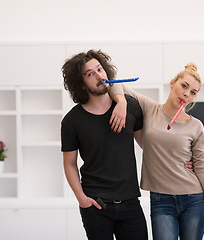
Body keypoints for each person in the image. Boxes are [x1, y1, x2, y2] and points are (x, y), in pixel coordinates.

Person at [109, 62, 204, 240]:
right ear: (172, 83)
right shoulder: (149, 108)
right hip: (161, 201)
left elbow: (202, 166)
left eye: (193, 92)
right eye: (184, 86)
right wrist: (122, 101)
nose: (187, 93)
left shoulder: (196, 126)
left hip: (195, 200)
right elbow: (114, 83)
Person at [60, 49, 148, 240]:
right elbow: (69, 163)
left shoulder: (130, 107)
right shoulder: (72, 121)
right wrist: (81, 198)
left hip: (130, 202)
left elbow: (148, 147)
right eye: (90, 74)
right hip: (96, 204)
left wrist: (181, 158)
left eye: (100, 69)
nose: (99, 76)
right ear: (81, 84)